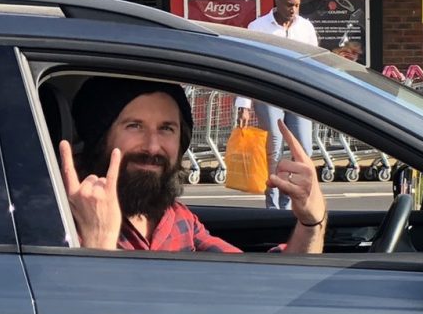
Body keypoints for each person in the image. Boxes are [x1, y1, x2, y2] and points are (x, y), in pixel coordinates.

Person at [59, 76, 326, 253]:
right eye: (134, 126)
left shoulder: (176, 218)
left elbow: (260, 284)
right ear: (101, 138)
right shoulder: (59, 221)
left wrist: (311, 222)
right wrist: (98, 243)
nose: (153, 146)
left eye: (166, 128)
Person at [236, 0, 320, 210]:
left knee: (303, 149)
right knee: (274, 146)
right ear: (277, 2)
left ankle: (288, 200)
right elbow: (248, 65)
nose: (294, 10)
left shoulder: (305, 27)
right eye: (290, 5)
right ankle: (272, 206)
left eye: (298, 6)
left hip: (298, 95)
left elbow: (315, 63)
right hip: (269, 93)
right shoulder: (258, 27)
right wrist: (244, 104)